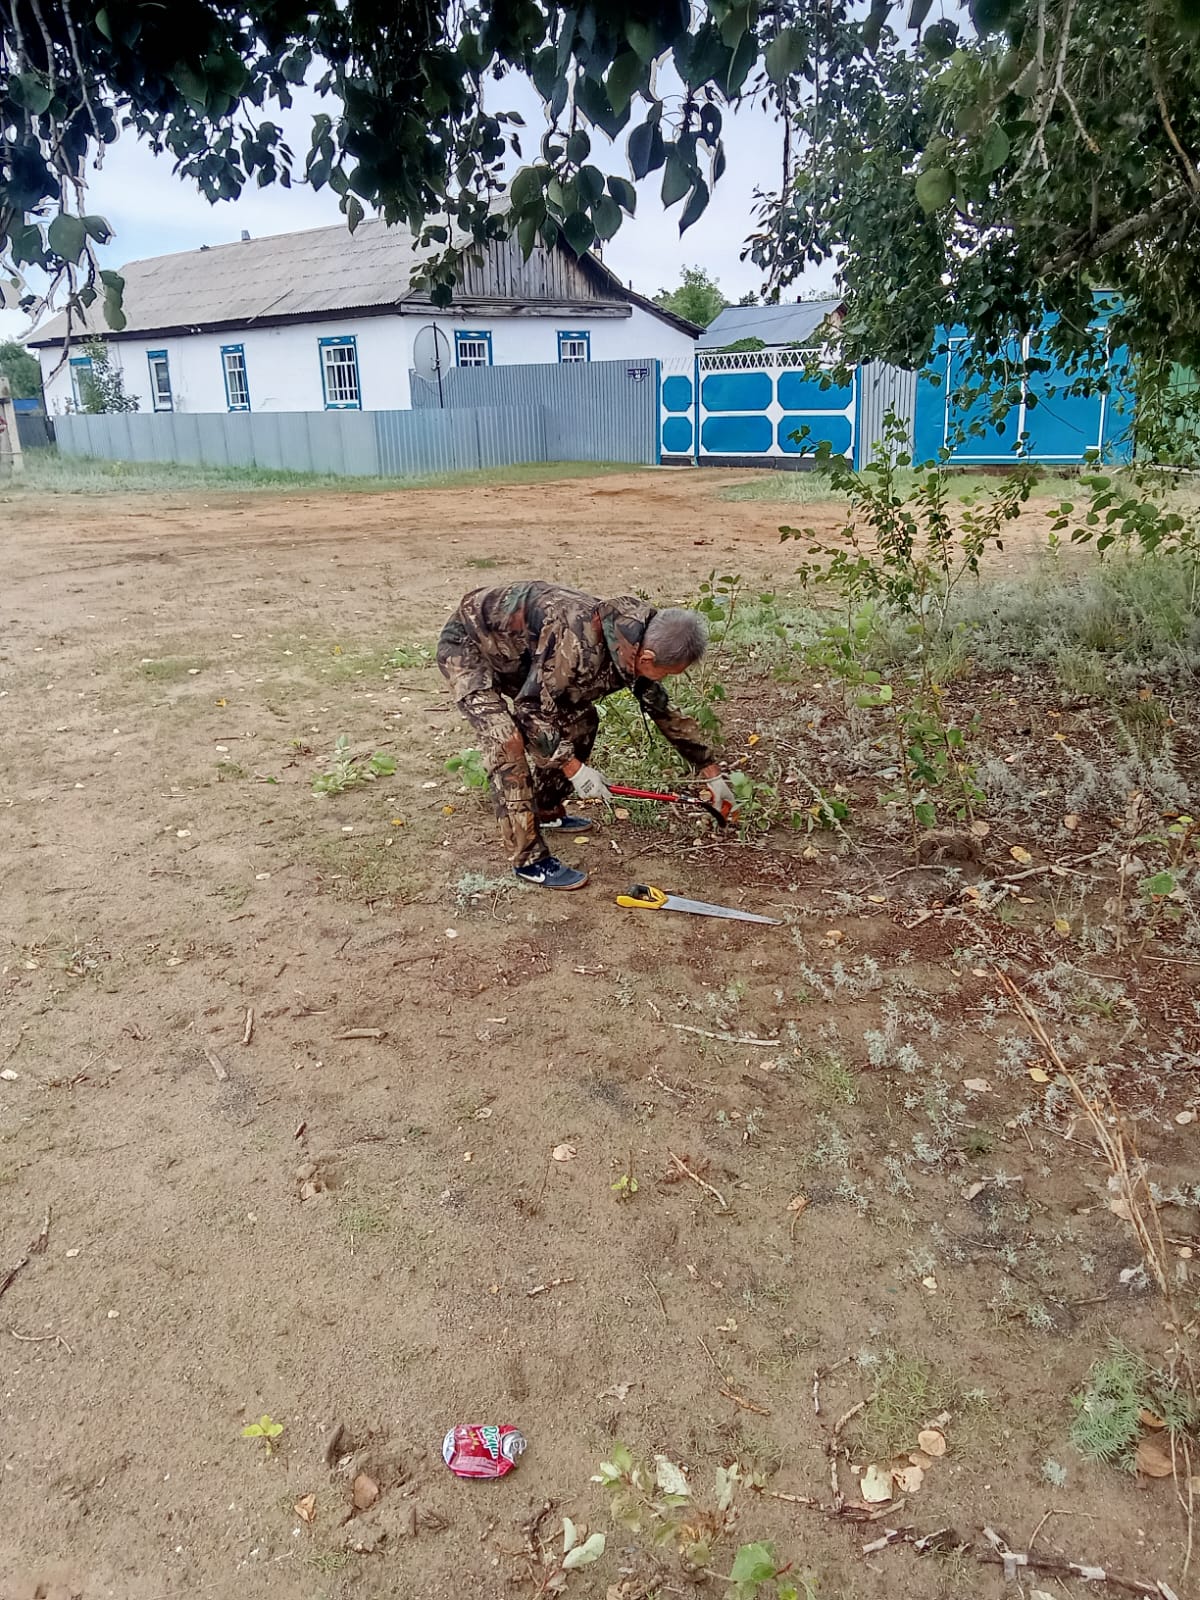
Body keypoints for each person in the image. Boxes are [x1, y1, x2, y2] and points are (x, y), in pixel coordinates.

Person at [437, 580, 738, 890]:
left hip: (523, 656)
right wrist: (574, 768)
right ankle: (528, 860)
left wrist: (708, 768)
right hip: (470, 646)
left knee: (582, 721)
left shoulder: (636, 634)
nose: (665, 678)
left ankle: (545, 809)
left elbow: (658, 704)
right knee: (506, 740)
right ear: (646, 658)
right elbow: (530, 711)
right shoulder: (578, 643)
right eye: (667, 672)